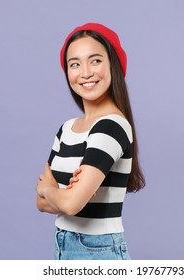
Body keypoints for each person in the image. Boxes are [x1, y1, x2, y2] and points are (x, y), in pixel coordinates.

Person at [36, 23, 145, 260]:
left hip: (98, 251)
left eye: (95, 60)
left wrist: (51, 189)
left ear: (113, 65)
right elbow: (41, 203)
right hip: (63, 245)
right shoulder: (66, 129)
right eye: (74, 64)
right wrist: (61, 196)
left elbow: (70, 204)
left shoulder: (112, 126)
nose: (85, 72)